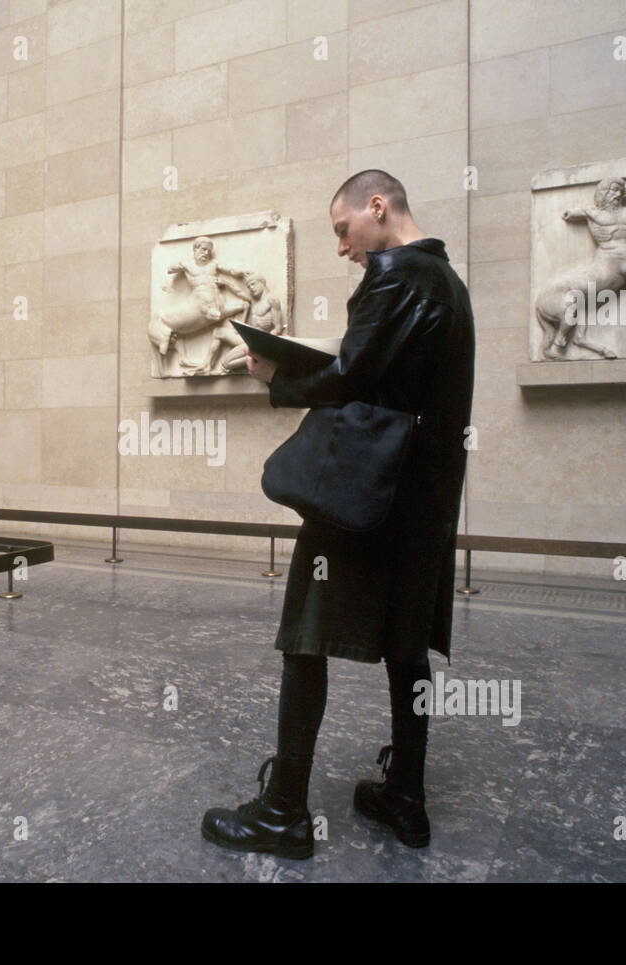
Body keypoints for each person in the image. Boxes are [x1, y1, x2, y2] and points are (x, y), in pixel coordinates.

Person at [200, 170, 476, 858]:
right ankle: (405, 800)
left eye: (343, 230)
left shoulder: (394, 274)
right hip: (424, 503)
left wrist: (276, 373)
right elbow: (387, 377)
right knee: (407, 650)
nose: (343, 248)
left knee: (305, 634)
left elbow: (352, 376)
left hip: (365, 493)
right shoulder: (450, 285)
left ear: (377, 207)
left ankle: (283, 811)